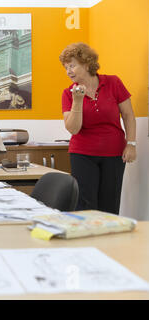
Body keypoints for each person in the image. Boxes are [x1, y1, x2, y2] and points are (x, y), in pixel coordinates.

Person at [59, 42, 137, 214]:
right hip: (82, 154)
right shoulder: (68, 93)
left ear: (87, 64)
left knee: (110, 204)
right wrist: (77, 101)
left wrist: (131, 144)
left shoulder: (113, 82)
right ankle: (89, 239)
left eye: (72, 65)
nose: (68, 71)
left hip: (114, 154)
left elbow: (128, 115)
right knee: (86, 206)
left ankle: (109, 240)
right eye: (66, 67)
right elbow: (73, 129)